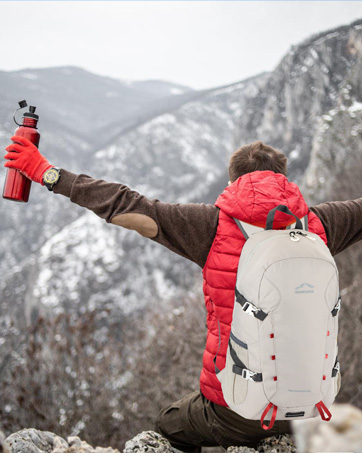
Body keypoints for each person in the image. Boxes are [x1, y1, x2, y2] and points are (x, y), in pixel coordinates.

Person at [4, 137, 362, 450]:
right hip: (315, 408)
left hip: (236, 411)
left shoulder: (210, 226)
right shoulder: (320, 226)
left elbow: (125, 205)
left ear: (233, 181)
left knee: (169, 425)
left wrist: (48, 174)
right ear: (285, 179)